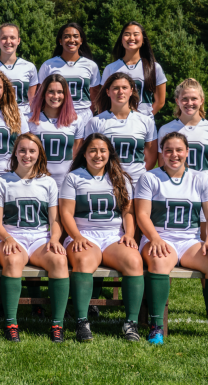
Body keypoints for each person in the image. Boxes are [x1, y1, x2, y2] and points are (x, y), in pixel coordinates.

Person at [60, 133, 143, 343]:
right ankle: (82, 321)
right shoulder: (74, 177)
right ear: (85, 154)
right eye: (93, 150)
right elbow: (66, 213)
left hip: (113, 235)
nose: (98, 155)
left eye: (102, 150)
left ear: (109, 153)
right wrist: (76, 236)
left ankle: (131, 323)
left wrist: (130, 235)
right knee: (84, 260)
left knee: (134, 261)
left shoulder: (119, 177)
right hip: (83, 234)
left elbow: (127, 212)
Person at [0, 133, 67, 343]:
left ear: (39, 154)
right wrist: (6, 238)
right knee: (13, 261)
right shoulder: (2, 181)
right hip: (11, 236)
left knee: (60, 260)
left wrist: (54, 239)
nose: (27, 155)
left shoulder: (49, 182)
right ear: (15, 152)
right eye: (22, 150)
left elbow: (54, 220)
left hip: (39, 238)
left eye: (32, 151)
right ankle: (11, 323)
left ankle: (57, 325)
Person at [136, 132, 208, 345]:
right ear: (162, 153)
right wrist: (155, 239)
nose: (174, 154)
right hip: (159, 237)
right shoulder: (149, 177)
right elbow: (142, 215)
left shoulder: (200, 177)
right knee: (158, 262)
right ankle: (156, 325)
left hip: (189, 240)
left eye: (179, 150)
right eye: (168, 150)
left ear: (187, 152)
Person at [86, 73, 157, 186]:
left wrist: (138, 176)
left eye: (124, 88)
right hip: (107, 182)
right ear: (108, 92)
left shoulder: (146, 121)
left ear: (131, 91)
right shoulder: (95, 122)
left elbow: (151, 157)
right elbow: (89, 155)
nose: (120, 92)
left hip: (137, 183)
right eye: (115, 88)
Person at [27, 74, 85, 190]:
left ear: (66, 95)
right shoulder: (29, 120)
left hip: (66, 182)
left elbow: (77, 152)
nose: (55, 96)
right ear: (43, 94)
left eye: (60, 92)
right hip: (37, 180)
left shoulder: (76, 120)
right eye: (51, 92)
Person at [38, 23, 100, 124]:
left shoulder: (91, 65)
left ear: (81, 40)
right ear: (60, 41)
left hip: (83, 115)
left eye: (76, 36)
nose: (71, 40)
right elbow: (40, 94)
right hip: (57, 114)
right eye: (66, 37)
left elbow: (94, 96)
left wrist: (90, 116)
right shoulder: (48, 65)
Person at [101, 21, 166, 117]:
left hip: (143, 124)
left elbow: (160, 102)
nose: (131, 38)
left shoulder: (154, 67)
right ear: (121, 40)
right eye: (127, 34)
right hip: (117, 122)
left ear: (143, 40)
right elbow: (104, 100)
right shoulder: (110, 68)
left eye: (136, 34)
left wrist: (146, 119)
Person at [0, 23, 38, 114]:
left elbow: (32, 100)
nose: (8, 41)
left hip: (23, 118)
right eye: (4, 38)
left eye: (12, 38)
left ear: (18, 40)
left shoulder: (29, 67)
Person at [158, 79, 208, 172]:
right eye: (184, 98)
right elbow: (163, 166)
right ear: (177, 101)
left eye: (194, 98)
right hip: (176, 185)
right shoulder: (166, 130)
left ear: (201, 101)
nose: (189, 103)